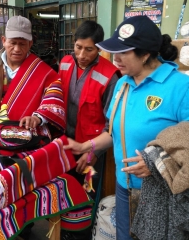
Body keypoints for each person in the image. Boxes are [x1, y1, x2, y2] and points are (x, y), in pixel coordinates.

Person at [63, 16, 189, 240]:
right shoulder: (123, 84)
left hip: (164, 194)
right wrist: (86, 145)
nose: (115, 58)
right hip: (125, 187)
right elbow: (114, 132)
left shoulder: (183, 88)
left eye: (123, 53)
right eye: (114, 51)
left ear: (146, 54)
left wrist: (158, 163)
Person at [59, 20, 120, 240]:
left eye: (89, 49)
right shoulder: (65, 63)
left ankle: (81, 235)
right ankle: (63, 231)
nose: (82, 54)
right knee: (63, 190)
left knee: (86, 195)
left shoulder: (110, 75)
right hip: (65, 144)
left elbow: (111, 123)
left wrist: (94, 152)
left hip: (91, 151)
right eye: (78, 47)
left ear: (100, 49)